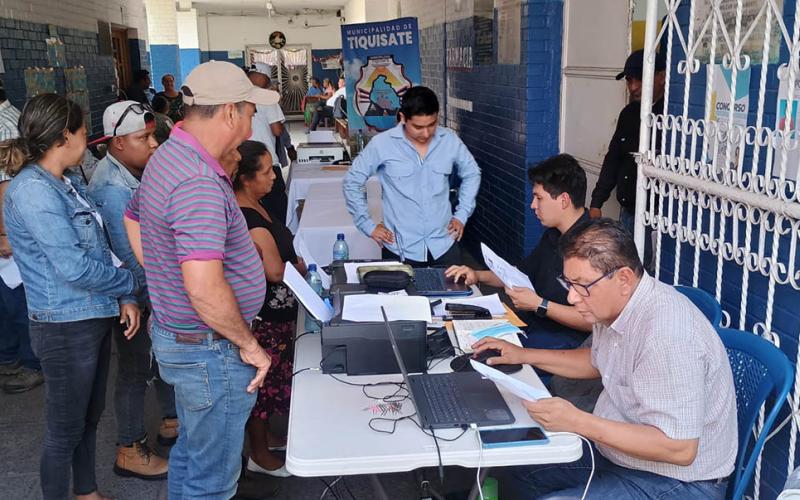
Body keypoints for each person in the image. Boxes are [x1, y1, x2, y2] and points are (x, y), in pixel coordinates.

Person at [474, 219, 736, 499]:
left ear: (623, 278)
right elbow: (597, 361)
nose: (572, 297)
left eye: (582, 285)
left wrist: (578, 422)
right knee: (517, 469)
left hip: (678, 481)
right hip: (619, 454)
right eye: (569, 283)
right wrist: (524, 355)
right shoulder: (612, 304)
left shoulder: (667, 334)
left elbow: (679, 448)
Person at [123, 60, 275, 499]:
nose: (252, 122)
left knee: (191, 455)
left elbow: (131, 217)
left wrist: (164, 274)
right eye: (250, 110)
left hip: (184, 342)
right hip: (211, 352)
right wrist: (249, 345)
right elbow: (205, 288)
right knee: (212, 483)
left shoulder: (169, 155)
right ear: (230, 112)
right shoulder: (198, 182)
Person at [1, 93, 139, 500]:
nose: (87, 139)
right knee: (64, 428)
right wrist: (129, 285)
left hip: (92, 313)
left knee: (87, 418)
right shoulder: (32, 191)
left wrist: (122, 297)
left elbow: (99, 248)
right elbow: (74, 267)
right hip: (63, 324)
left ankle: (86, 492)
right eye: (83, 131)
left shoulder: (69, 182)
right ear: (64, 136)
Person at [87, 101, 175, 480]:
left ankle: (171, 421)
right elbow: (132, 258)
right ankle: (129, 447)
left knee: (160, 360)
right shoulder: (111, 188)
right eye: (143, 137)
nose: (153, 144)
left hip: (148, 288)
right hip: (133, 296)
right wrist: (167, 295)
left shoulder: (130, 172)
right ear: (117, 143)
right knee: (135, 369)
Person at [446, 154, 592, 350]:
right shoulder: (553, 235)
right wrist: (476, 275)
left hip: (564, 342)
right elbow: (518, 274)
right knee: (459, 334)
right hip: (530, 326)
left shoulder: (595, 246)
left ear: (564, 200)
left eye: (539, 198)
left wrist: (540, 304)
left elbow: (592, 320)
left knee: (478, 351)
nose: (533, 205)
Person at [343, 86, 481, 267]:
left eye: (432, 125)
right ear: (403, 118)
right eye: (418, 127)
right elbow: (352, 181)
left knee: (453, 294)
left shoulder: (449, 140)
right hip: (399, 249)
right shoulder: (382, 144)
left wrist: (462, 214)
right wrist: (368, 226)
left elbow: (472, 173)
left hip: (444, 245)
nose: (426, 133)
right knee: (400, 296)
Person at [233, 140, 306, 478]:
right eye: (265, 171)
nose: (273, 177)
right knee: (262, 387)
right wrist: (299, 269)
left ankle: (269, 438)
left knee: (274, 379)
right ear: (246, 178)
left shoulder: (258, 204)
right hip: (266, 316)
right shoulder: (247, 216)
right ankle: (258, 454)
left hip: (280, 310)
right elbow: (275, 272)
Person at [589, 50, 666, 236]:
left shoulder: (672, 118)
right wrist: (596, 202)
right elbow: (613, 159)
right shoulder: (629, 114)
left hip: (657, 218)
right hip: (628, 213)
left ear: (661, 77)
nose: (633, 87)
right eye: (629, 80)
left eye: (640, 79)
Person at [0, 87, 43, 394]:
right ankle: (14, 357)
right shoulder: (12, 117)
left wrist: (4, 235)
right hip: (13, 235)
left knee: (16, 301)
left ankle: (29, 363)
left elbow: (4, 188)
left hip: (12, 239)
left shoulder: (3, 126)